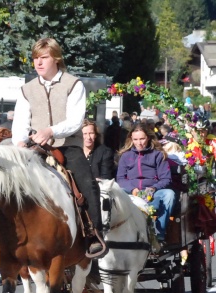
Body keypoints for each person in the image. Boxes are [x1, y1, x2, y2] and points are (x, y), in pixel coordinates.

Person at [10, 37, 105, 258]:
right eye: (35, 59)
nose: (38, 63)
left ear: (56, 58)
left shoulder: (73, 84)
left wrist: (51, 131)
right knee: (4, 182)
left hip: (67, 146)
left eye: (43, 58)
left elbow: (75, 120)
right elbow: (20, 123)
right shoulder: (27, 89)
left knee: (88, 184)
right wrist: (20, 142)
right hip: (34, 149)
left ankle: (93, 234)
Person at [117, 123, 174, 246]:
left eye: (142, 139)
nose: (139, 143)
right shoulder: (126, 156)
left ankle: (159, 234)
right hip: (131, 191)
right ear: (131, 140)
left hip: (153, 191)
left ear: (148, 138)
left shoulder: (158, 154)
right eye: (136, 139)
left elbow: (166, 179)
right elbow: (120, 179)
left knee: (169, 194)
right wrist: (132, 189)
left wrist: (154, 188)